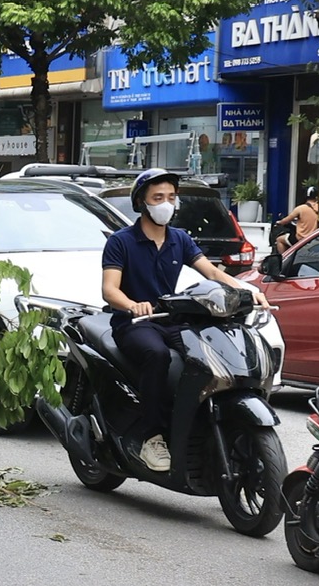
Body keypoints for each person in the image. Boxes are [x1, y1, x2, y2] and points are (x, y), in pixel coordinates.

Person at [101, 169, 260, 473]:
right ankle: (151, 435)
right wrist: (133, 305)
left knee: (206, 356)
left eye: (171, 198)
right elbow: (109, 289)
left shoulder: (180, 239)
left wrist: (250, 291)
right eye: (158, 198)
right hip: (135, 323)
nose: (166, 204)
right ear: (142, 203)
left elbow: (212, 273)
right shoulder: (122, 242)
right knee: (157, 356)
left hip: (172, 319)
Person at [274, 185, 319, 255]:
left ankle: (284, 260)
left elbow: (286, 220)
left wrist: (279, 222)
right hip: (314, 239)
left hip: (301, 239)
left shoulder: (300, 208)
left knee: (279, 239)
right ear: (317, 197)